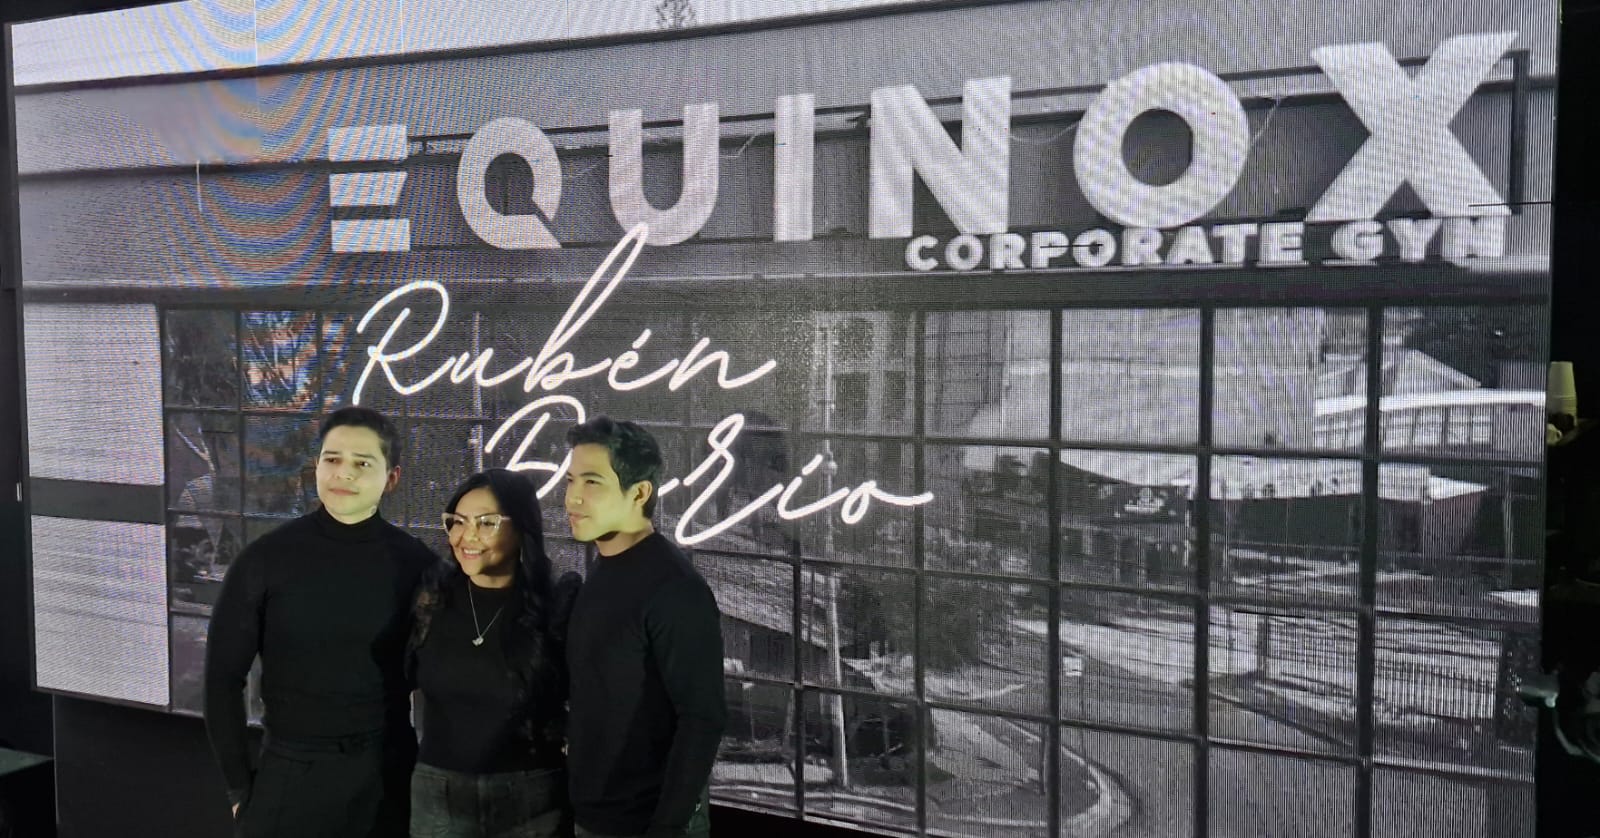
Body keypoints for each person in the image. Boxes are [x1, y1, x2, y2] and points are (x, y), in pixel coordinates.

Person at [204, 406, 435, 838]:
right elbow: (221, 679)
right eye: (332, 459)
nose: (343, 473)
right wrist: (238, 788)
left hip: (387, 774)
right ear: (316, 466)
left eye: (362, 463)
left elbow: (440, 676)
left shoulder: (416, 563)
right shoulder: (266, 559)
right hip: (291, 772)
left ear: (392, 478)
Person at [562, 417, 727, 838]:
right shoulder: (603, 567)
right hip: (593, 813)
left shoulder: (674, 588)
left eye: (592, 482)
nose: (572, 497)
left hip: (645, 822)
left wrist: (666, 826)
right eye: (570, 481)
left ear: (639, 493)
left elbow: (703, 717)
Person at [407, 469, 582, 838]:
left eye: (486, 523)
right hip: (439, 795)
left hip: (532, 796)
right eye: (457, 522)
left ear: (522, 529)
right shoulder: (431, 600)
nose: (467, 536)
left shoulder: (556, 607)